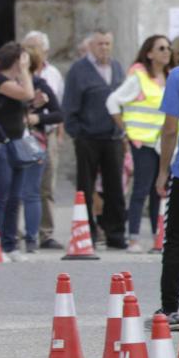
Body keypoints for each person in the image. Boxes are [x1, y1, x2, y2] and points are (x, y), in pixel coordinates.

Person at [63, 29, 127, 249]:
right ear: (91, 46)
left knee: (115, 187)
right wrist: (77, 133)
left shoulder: (117, 67)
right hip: (88, 137)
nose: (104, 48)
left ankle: (115, 232)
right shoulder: (79, 70)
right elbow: (70, 105)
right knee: (86, 185)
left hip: (112, 137)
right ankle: (87, 231)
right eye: (100, 44)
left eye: (108, 44)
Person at [107, 35, 171, 252]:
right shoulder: (139, 78)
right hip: (142, 141)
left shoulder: (171, 77)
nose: (166, 51)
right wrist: (125, 128)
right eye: (161, 48)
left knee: (159, 190)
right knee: (141, 190)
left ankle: (157, 235)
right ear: (149, 53)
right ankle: (133, 237)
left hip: (164, 143)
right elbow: (113, 101)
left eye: (168, 48)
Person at [0, 42, 34, 262]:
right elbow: (27, 94)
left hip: (17, 144)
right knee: (2, 196)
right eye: (23, 60)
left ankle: (10, 243)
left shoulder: (13, 82)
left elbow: (26, 100)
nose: (27, 64)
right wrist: (24, 71)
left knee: (16, 197)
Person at [22, 31, 65, 250]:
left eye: (35, 48)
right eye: (27, 47)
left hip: (45, 136)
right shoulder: (15, 79)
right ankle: (21, 230)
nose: (30, 53)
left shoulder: (52, 76)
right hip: (20, 137)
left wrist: (56, 130)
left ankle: (45, 233)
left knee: (46, 186)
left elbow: (59, 110)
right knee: (22, 187)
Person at [153, 60, 179, 329]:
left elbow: (170, 128)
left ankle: (171, 309)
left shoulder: (178, 76)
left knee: (176, 240)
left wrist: (163, 171)